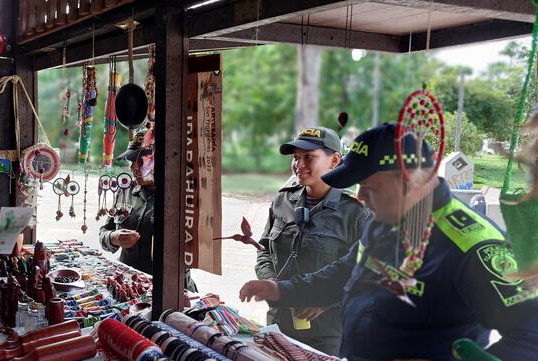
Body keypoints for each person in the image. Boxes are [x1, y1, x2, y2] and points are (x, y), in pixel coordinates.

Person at [239, 123, 538, 360]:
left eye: (370, 188)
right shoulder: (385, 222)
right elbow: (344, 272)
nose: (362, 198)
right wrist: (282, 289)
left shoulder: (474, 245)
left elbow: (530, 337)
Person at [255, 127, 368, 355]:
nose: (299, 165)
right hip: (278, 324)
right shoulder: (282, 200)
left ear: (334, 160)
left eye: (309, 157)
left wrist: (325, 301)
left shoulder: (355, 212)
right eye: (296, 157)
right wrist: (272, 285)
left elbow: (365, 275)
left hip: (325, 335)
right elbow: (264, 250)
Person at [99, 127, 197, 291]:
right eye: (132, 162)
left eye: (141, 162)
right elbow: (104, 231)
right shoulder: (126, 191)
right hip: (128, 285)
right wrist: (113, 237)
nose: (134, 168)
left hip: (168, 290)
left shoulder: (180, 197)